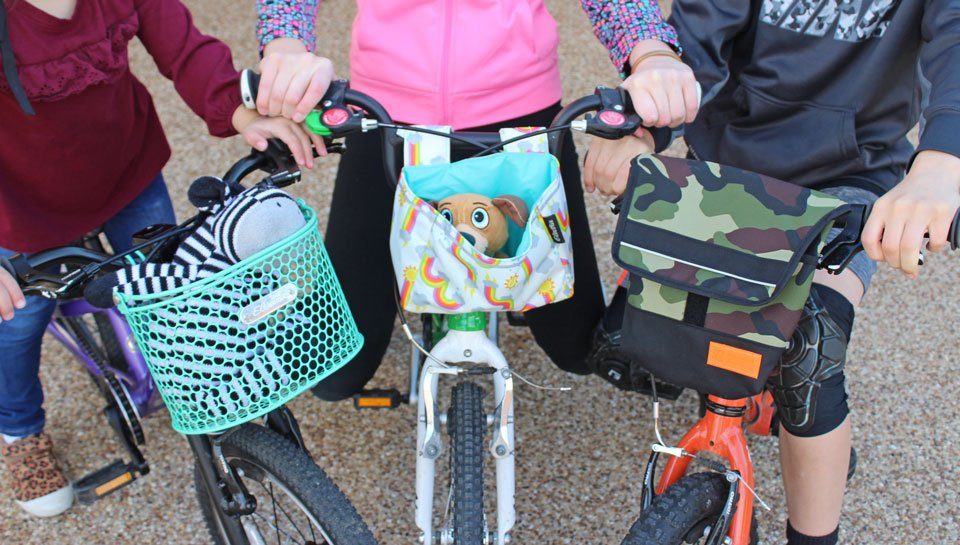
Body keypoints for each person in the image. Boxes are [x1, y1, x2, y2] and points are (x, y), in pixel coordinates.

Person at [585, 1, 960, 544]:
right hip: (731, 165)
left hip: (848, 175)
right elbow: (698, 41)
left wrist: (942, 164)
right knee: (686, 315)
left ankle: (814, 538)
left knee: (811, 348)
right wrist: (648, 126)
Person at [252, 0, 701, 401]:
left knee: (578, 348)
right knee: (336, 371)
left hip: (521, 117)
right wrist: (285, 46)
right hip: (386, 114)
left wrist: (651, 51)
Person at [0, 0, 316, 517]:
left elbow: (187, 51)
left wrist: (243, 113)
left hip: (125, 170)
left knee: (177, 285)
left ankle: (193, 377)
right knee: (16, 325)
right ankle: (19, 431)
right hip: (19, 205)